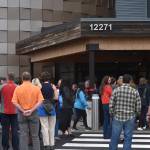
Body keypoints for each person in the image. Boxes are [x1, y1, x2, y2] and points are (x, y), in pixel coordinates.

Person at [12, 72, 44, 150]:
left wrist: (22, 110)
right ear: (30, 78)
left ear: (22, 79)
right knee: (35, 136)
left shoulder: (18, 88)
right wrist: (32, 110)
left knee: (23, 135)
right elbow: (41, 101)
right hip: (34, 113)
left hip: (22, 113)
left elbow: (14, 101)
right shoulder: (36, 88)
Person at [109, 74, 141, 150]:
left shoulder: (116, 90)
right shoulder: (135, 91)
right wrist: (136, 115)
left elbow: (111, 104)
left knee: (115, 136)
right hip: (130, 117)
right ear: (130, 81)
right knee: (128, 137)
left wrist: (112, 114)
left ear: (122, 81)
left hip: (117, 116)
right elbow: (139, 106)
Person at [37, 72, 58, 150]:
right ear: (49, 78)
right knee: (52, 127)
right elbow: (56, 98)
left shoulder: (40, 86)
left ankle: (46, 144)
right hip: (51, 107)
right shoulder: (53, 86)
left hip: (42, 107)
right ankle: (52, 144)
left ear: (42, 78)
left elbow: (38, 97)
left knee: (44, 127)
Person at [0, 73, 19, 150]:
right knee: (15, 130)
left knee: (5, 130)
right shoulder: (18, 87)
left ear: (7, 78)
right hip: (15, 112)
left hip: (4, 111)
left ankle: (5, 147)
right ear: (13, 78)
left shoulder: (1, 87)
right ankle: (16, 147)